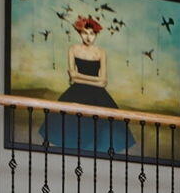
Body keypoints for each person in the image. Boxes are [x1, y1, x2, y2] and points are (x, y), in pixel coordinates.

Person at [42, 15, 135, 156]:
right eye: (85, 33)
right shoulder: (73, 49)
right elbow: (73, 78)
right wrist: (93, 80)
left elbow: (103, 81)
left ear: (96, 35)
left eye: (92, 34)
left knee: (102, 129)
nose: (88, 37)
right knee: (69, 125)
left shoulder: (101, 52)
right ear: (80, 33)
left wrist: (79, 77)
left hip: (98, 95)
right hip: (76, 93)